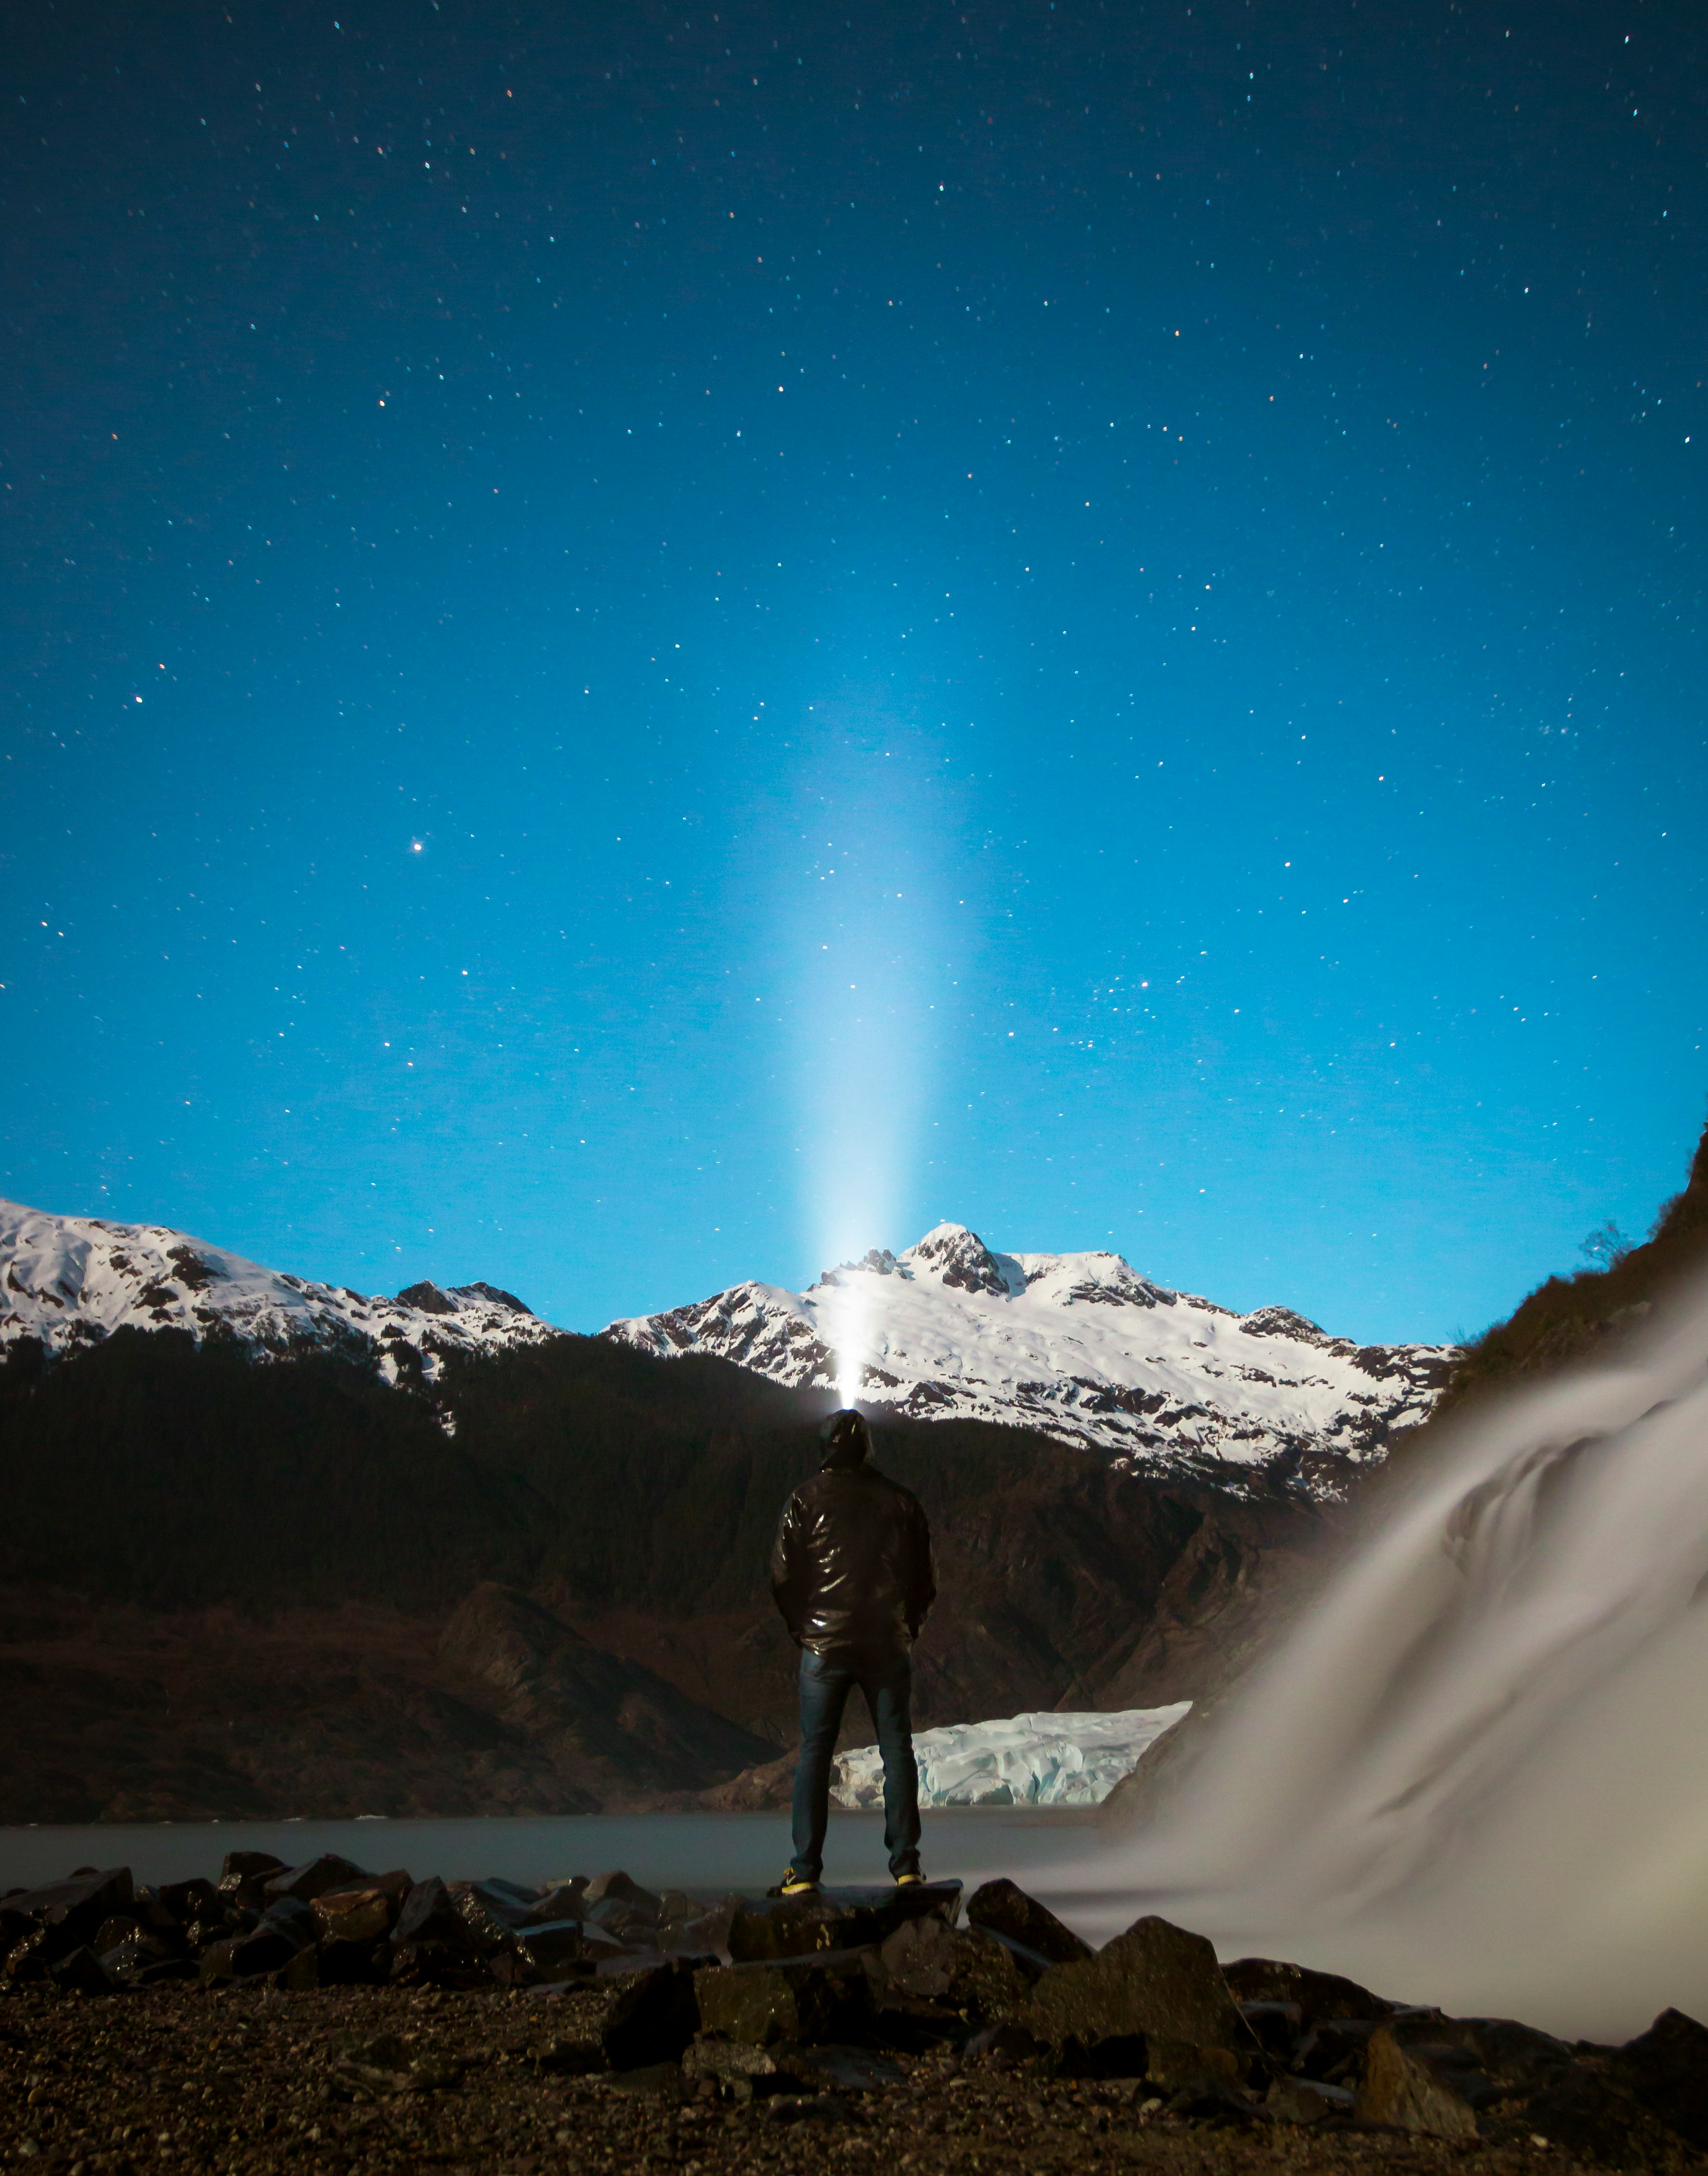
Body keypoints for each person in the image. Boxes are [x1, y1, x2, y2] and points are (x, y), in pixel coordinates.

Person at [768, 1407, 936, 1896]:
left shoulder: (803, 1498)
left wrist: (802, 1627)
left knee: (814, 1754)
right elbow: (924, 1576)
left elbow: (781, 1573)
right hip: (886, 1643)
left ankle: (803, 1871)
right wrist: (908, 1624)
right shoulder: (901, 1501)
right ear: (867, 1447)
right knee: (896, 1749)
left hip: (823, 1644)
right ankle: (906, 1867)